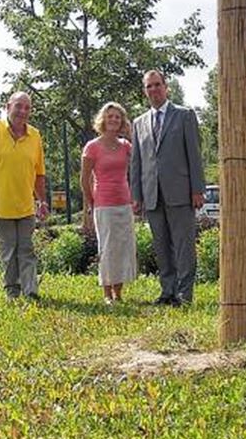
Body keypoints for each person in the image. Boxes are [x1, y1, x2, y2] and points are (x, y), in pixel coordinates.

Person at [129, 69, 204, 306]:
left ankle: (184, 295)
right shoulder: (139, 123)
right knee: (161, 246)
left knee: (183, 246)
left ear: (166, 86)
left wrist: (197, 189)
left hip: (180, 192)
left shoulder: (184, 115)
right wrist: (137, 195)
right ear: (145, 91)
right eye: (149, 86)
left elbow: (194, 155)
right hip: (152, 195)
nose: (153, 90)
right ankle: (167, 292)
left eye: (157, 85)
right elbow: (137, 163)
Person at [0, 91, 48, 301]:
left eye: (27, 108)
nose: (22, 111)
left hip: (25, 206)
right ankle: (12, 291)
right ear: (8, 107)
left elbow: (39, 174)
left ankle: (31, 290)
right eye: (18, 106)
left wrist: (42, 201)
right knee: (8, 251)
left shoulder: (35, 136)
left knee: (26, 249)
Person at [81, 101, 138, 304]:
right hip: (103, 204)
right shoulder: (92, 147)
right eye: (110, 116)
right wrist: (90, 203)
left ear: (122, 121)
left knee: (123, 247)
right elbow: (84, 179)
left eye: (117, 117)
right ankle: (107, 294)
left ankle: (118, 293)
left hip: (124, 202)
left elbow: (138, 167)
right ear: (103, 119)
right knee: (107, 248)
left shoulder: (126, 146)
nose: (113, 120)